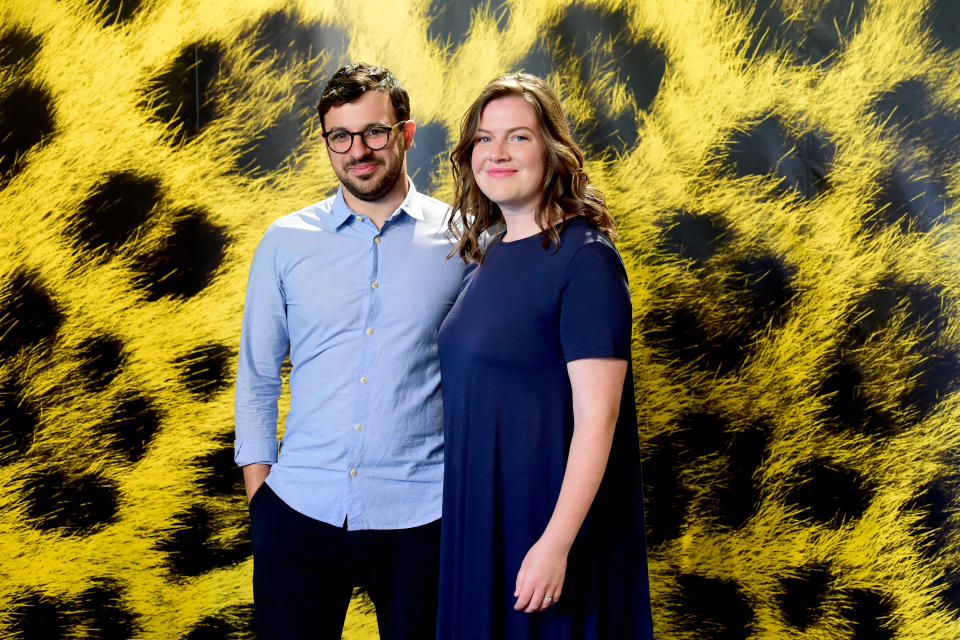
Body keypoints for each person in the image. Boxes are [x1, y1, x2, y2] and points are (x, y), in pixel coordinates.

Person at [234, 63, 465, 640]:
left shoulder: (465, 237)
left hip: (425, 514)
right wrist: (262, 499)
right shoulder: (285, 241)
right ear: (326, 142)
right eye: (341, 136)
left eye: (374, 132)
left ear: (407, 133)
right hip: (299, 509)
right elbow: (259, 374)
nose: (357, 150)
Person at [436, 73, 654, 639]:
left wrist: (556, 543)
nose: (498, 153)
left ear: (552, 152)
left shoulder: (586, 260)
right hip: (480, 519)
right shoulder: (488, 254)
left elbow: (597, 421)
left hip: (542, 525)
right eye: (484, 139)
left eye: (519, 138)